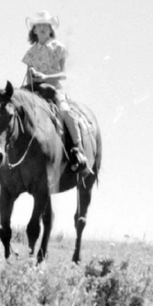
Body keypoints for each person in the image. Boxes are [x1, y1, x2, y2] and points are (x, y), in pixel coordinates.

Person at [22, 10, 93, 183]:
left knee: (65, 112)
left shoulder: (59, 48)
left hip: (54, 90)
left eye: (46, 25)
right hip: (35, 92)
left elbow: (63, 75)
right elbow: (29, 76)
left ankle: (77, 150)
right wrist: (32, 77)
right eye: (39, 26)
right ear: (35, 30)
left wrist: (46, 78)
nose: (42, 28)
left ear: (50, 29)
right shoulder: (31, 53)